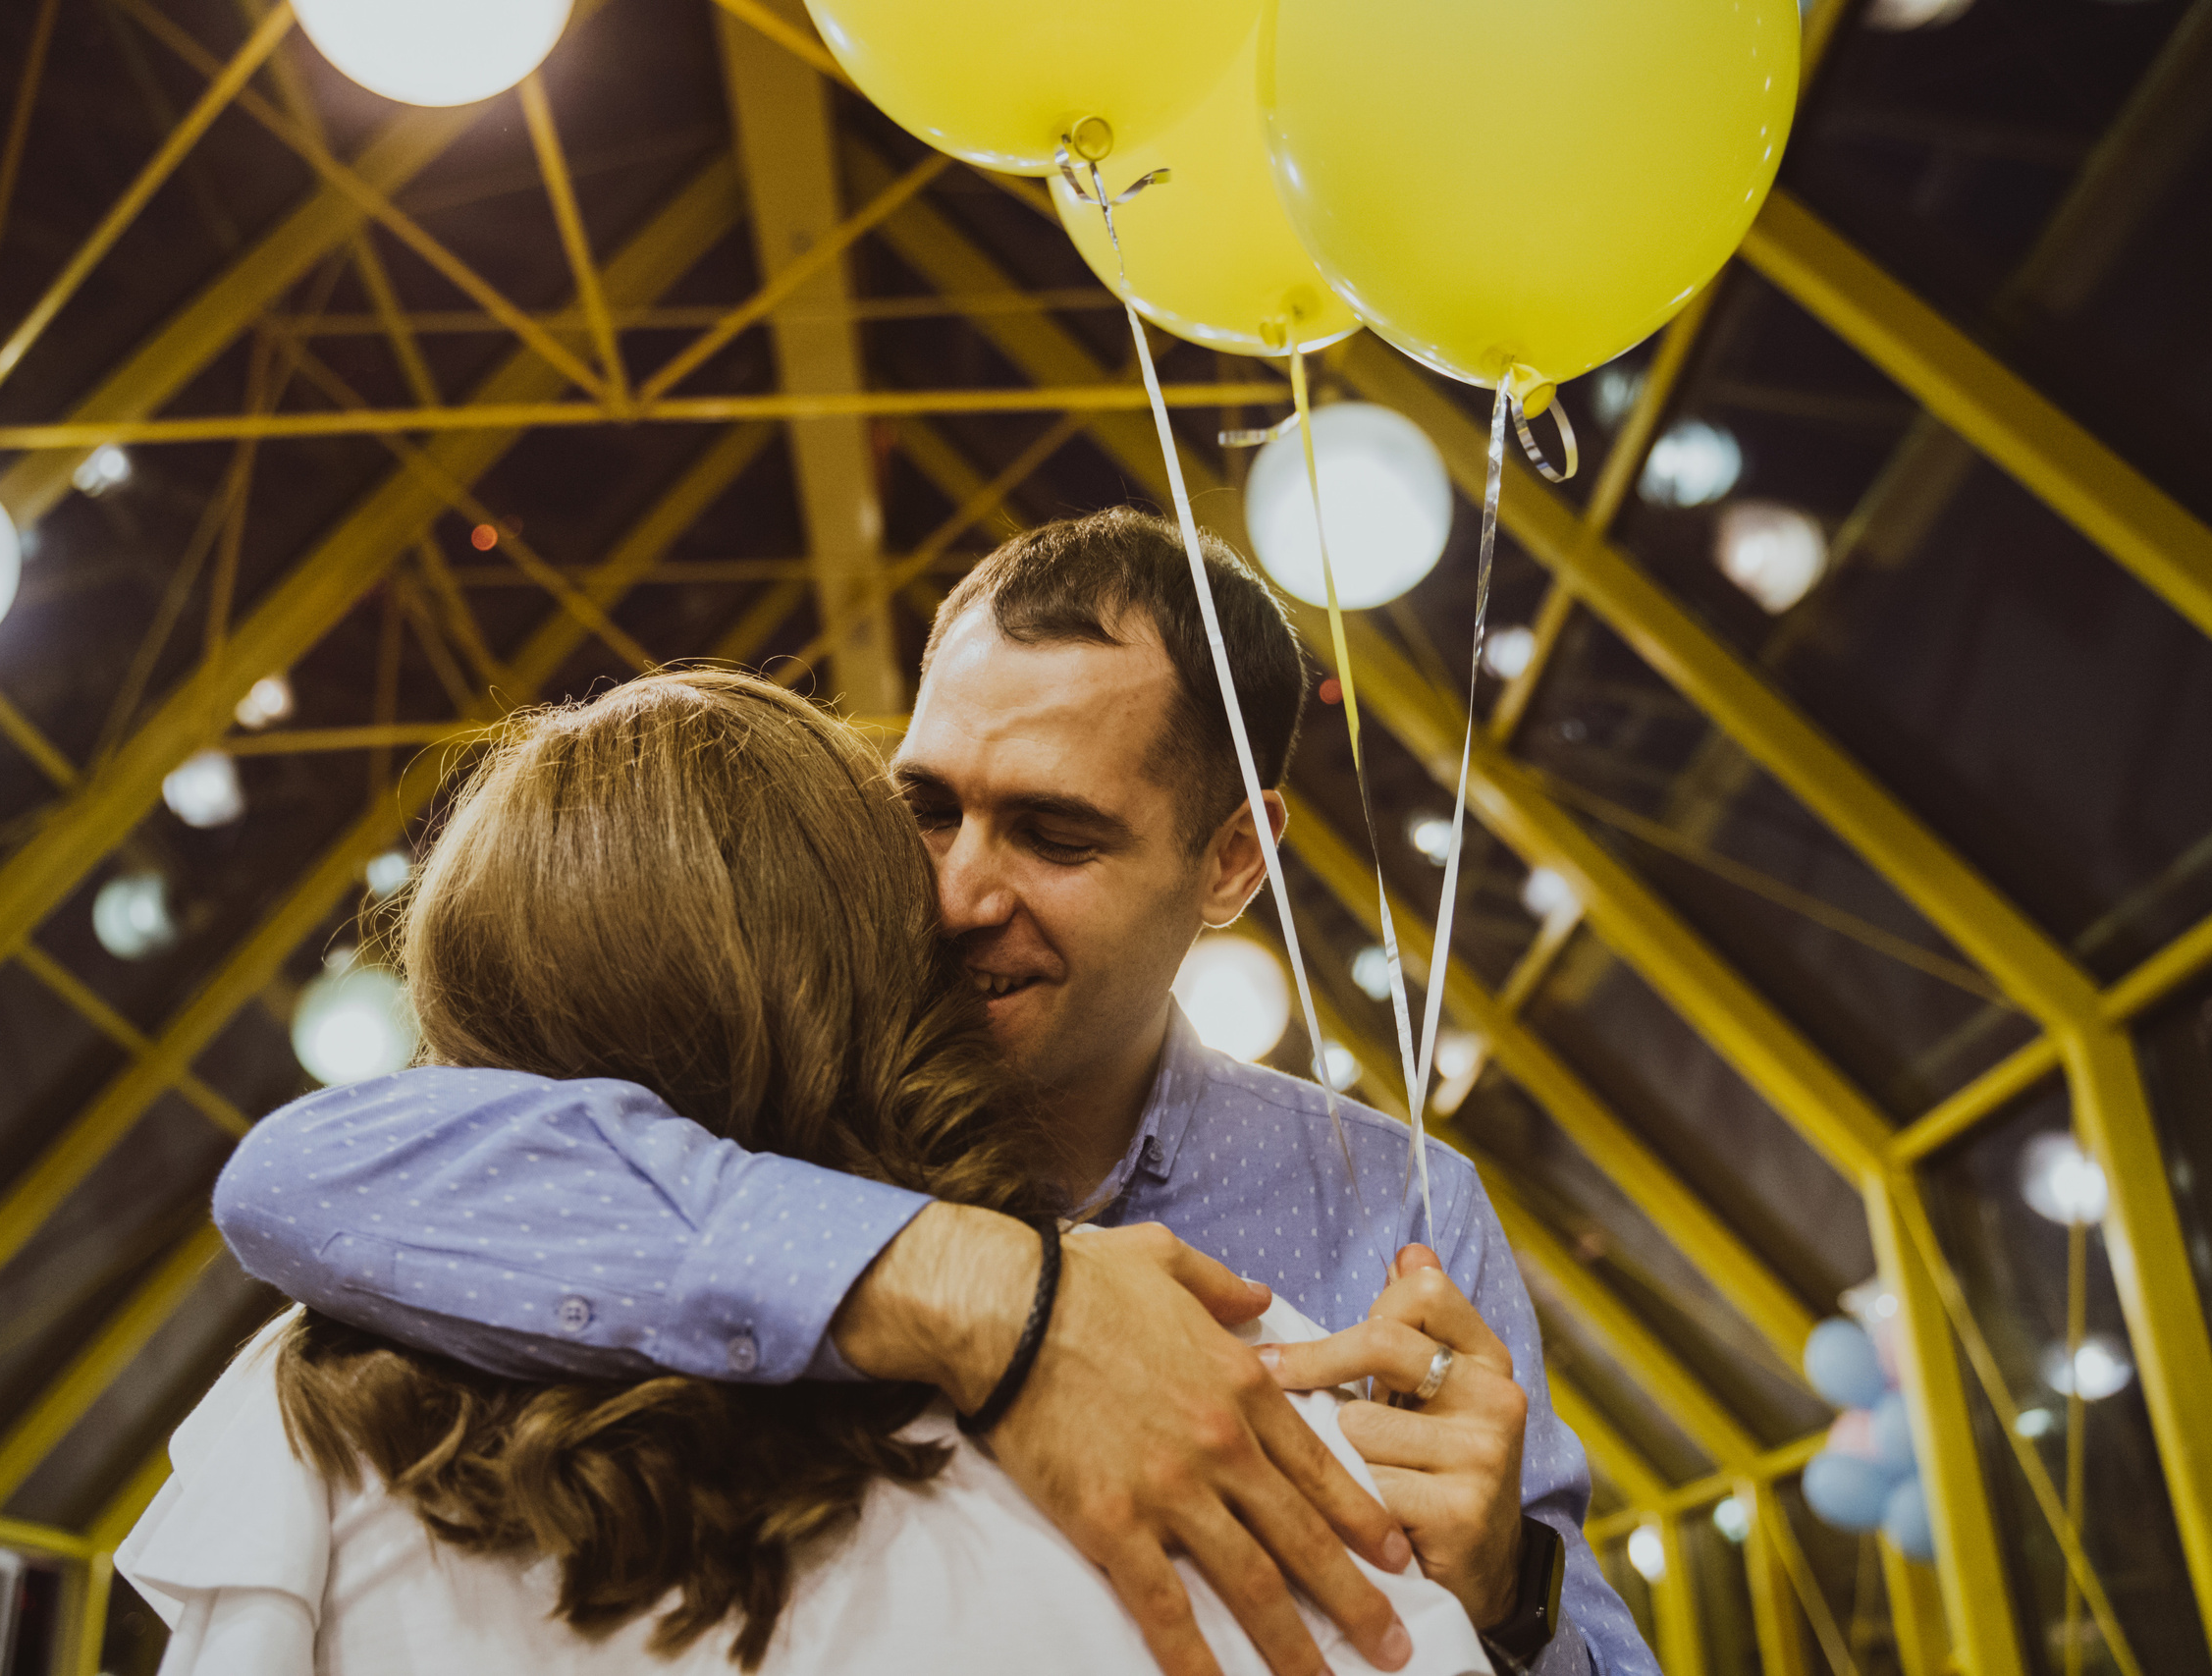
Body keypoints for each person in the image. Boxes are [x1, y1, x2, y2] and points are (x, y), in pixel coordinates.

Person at [216, 511, 1655, 1676]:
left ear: (1232, 863)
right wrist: (991, 1295)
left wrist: (1511, 1604)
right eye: (927, 805)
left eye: (1053, 835)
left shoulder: (1392, 1207)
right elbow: (303, 1178)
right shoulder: (756, 1105)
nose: (961, 894)